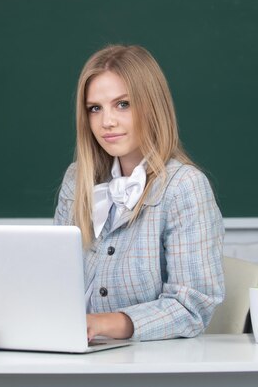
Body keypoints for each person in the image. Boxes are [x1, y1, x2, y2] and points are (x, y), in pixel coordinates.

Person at [54, 44, 225, 341]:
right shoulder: (76, 180)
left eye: (123, 104)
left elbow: (192, 307)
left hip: (149, 365)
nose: (107, 121)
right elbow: (53, 278)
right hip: (70, 352)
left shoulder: (184, 187)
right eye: (95, 108)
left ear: (152, 106)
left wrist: (103, 323)